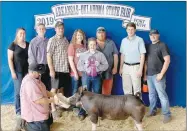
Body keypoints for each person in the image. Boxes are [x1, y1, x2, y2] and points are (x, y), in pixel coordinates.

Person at [144, 29, 171, 123]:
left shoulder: (162, 45)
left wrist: (161, 74)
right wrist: (145, 74)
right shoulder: (149, 46)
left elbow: (167, 60)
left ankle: (167, 114)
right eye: (151, 35)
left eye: (155, 34)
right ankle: (152, 111)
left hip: (158, 75)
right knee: (151, 95)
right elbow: (146, 61)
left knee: (162, 95)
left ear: (158, 35)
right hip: (149, 75)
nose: (153, 36)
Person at [20, 64, 58, 131]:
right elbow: (38, 100)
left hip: (41, 112)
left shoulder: (35, 78)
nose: (40, 74)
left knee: (49, 122)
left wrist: (54, 94)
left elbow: (43, 91)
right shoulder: (30, 83)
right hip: (35, 117)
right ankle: (26, 125)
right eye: (38, 72)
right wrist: (53, 100)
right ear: (32, 72)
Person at [47, 21, 70, 119]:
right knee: (53, 90)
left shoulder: (65, 40)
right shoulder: (52, 40)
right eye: (59, 28)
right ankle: (53, 109)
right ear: (55, 29)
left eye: (62, 28)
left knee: (61, 89)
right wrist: (51, 69)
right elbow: (48, 55)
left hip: (64, 69)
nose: (60, 30)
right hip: (56, 69)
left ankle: (60, 106)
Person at [7, 28, 29, 131]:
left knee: (26, 92)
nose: (22, 34)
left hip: (27, 72)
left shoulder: (28, 44)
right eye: (21, 33)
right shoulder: (13, 45)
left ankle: (26, 109)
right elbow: (10, 60)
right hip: (18, 72)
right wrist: (12, 71)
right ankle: (18, 111)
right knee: (18, 92)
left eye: (24, 33)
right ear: (17, 34)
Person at [119, 22, 146, 95]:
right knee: (126, 89)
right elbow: (122, 55)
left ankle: (138, 106)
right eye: (129, 29)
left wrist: (140, 69)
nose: (130, 31)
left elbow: (142, 55)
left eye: (132, 29)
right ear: (126, 30)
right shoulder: (123, 40)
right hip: (125, 66)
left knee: (137, 89)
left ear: (135, 30)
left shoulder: (139, 40)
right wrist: (121, 68)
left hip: (136, 66)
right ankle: (128, 106)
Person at [67, 29, 87, 120]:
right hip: (75, 73)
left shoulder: (85, 46)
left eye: (81, 35)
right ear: (75, 36)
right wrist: (75, 72)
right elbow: (70, 60)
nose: (79, 37)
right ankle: (75, 108)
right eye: (78, 35)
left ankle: (82, 111)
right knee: (75, 91)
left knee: (83, 92)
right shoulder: (72, 46)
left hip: (84, 73)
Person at [28, 23, 51, 91]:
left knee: (48, 86)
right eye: (39, 29)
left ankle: (48, 101)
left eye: (43, 29)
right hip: (39, 67)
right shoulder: (33, 42)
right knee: (39, 87)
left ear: (45, 30)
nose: (41, 30)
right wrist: (35, 70)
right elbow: (31, 56)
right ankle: (41, 101)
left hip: (48, 66)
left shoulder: (48, 41)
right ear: (37, 31)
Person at [96, 27, 118, 95]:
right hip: (96, 72)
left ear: (105, 34)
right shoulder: (92, 42)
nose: (101, 34)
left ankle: (106, 105)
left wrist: (115, 67)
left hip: (108, 71)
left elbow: (115, 55)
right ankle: (97, 105)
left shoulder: (111, 43)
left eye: (103, 33)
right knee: (96, 91)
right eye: (99, 33)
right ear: (96, 34)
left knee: (107, 92)